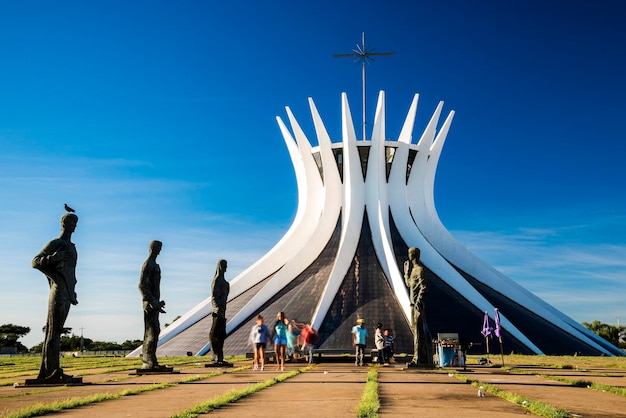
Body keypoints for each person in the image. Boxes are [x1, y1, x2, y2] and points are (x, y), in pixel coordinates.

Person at [32, 212, 79, 382]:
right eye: (70, 222)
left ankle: (53, 369)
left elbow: (70, 273)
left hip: (67, 292)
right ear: (63, 223)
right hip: (58, 291)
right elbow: (35, 261)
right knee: (52, 331)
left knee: (57, 331)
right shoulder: (55, 243)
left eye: (75, 222)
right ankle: (48, 371)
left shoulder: (72, 247)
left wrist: (72, 291)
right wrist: (54, 257)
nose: (73, 225)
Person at [138, 240, 166, 369]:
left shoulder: (155, 265)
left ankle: (152, 360)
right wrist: (152, 301)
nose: (159, 250)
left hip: (154, 303)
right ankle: (148, 361)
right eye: (157, 247)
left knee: (155, 331)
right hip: (149, 304)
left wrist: (158, 303)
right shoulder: (148, 264)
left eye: (160, 248)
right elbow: (142, 285)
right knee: (151, 331)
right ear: (152, 248)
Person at [404, 247, 429, 364]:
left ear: (413, 255)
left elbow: (424, 287)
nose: (409, 255)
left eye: (410, 253)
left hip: (417, 305)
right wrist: (406, 273)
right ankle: (417, 356)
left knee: (419, 332)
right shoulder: (413, 270)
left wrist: (419, 301)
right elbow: (409, 284)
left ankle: (419, 358)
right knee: (415, 331)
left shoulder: (420, 270)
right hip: (412, 305)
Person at [210, 259, 230, 364]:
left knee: (222, 334)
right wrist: (216, 308)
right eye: (223, 265)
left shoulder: (226, 283)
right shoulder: (216, 280)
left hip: (223, 311)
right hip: (217, 312)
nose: (225, 267)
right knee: (215, 334)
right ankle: (215, 355)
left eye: (226, 265)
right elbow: (213, 296)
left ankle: (220, 355)